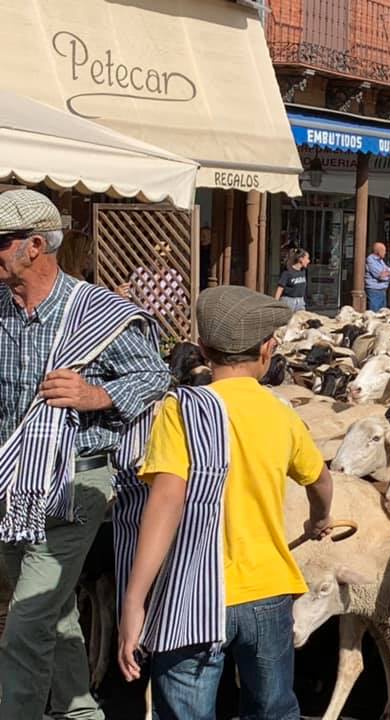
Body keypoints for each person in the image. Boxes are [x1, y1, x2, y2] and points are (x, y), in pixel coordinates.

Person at [116, 285, 333, 718]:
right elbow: (321, 480)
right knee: (271, 709)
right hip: (269, 592)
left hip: (192, 592)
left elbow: (164, 504)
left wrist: (133, 601)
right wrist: (318, 519)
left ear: (201, 349)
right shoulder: (281, 413)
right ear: (268, 349)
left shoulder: (182, 411)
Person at [0, 189, 169, 719]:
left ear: (33, 246)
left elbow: (155, 374)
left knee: (25, 619)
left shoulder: (98, 312)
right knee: (51, 611)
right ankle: (80, 712)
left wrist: (99, 395)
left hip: (77, 481)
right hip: (11, 485)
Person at [364, 241, 390, 311]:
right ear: (378, 251)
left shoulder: (381, 261)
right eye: (384, 251)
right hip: (375, 291)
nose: (385, 253)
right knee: (375, 313)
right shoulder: (371, 259)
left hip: (383, 290)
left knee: (382, 313)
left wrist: (387, 274)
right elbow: (380, 276)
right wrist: (387, 274)